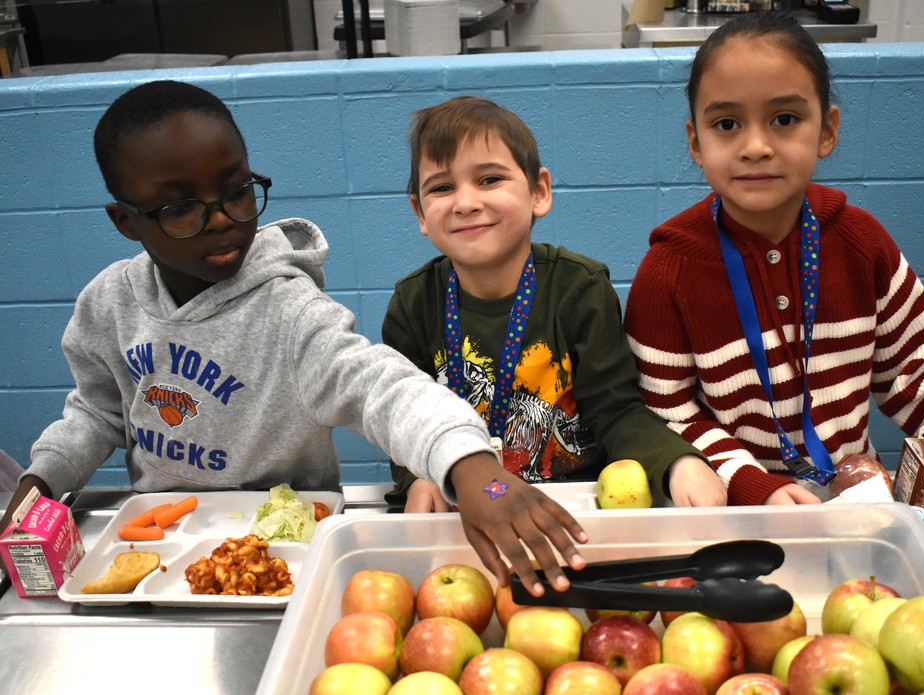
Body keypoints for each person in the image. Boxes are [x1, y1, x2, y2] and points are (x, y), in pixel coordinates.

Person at [0, 80, 588, 596]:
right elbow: (98, 411)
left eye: (236, 190)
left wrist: (474, 469)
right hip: (165, 546)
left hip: (291, 549)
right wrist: (39, 482)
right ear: (127, 221)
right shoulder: (108, 304)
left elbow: (383, 387)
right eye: (181, 208)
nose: (224, 218)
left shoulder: (291, 311)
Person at [624, 12, 924, 506]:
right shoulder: (668, 271)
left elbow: (918, 377)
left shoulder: (863, 243)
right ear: (696, 144)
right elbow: (665, 413)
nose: (755, 147)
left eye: (785, 119)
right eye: (727, 124)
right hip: (732, 513)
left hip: (854, 501)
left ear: (827, 131)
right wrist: (755, 487)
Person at [382, 95, 727, 513]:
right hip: (466, 507)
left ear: (539, 192)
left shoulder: (580, 289)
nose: (466, 202)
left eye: (490, 179)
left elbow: (615, 409)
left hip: (574, 510)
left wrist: (677, 462)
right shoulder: (413, 304)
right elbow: (404, 420)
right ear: (420, 212)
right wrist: (418, 478)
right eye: (442, 187)